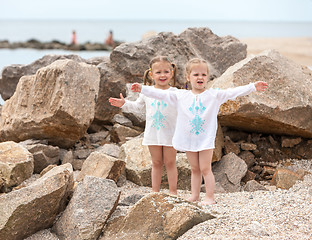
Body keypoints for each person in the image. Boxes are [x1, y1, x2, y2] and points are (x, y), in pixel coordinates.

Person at [131, 58, 268, 205]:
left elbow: (233, 92)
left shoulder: (214, 95)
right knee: (195, 169)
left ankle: (209, 197)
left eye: (203, 74)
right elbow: (160, 94)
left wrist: (252, 86)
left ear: (208, 77)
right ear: (188, 77)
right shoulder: (181, 96)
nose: (200, 77)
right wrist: (142, 89)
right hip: (189, 139)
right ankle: (194, 196)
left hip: (205, 139)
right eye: (196, 75)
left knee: (205, 168)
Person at [109, 56, 179, 196]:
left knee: (170, 163)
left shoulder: (175, 92)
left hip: (171, 134)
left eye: (166, 71)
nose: (162, 75)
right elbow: (138, 107)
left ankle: (173, 192)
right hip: (153, 133)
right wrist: (124, 104)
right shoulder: (146, 92)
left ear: (171, 73)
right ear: (151, 75)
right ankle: (155, 192)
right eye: (158, 72)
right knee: (156, 163)